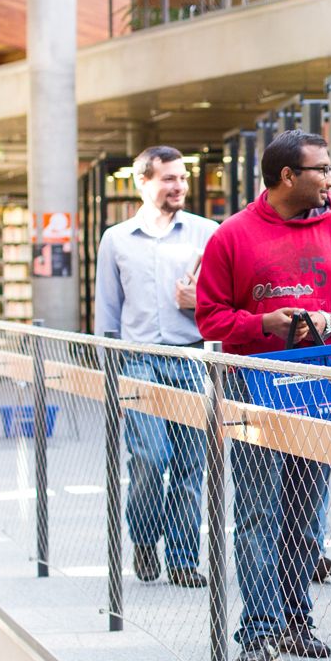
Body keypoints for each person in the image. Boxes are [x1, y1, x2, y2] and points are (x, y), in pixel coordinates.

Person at [196, 129, 331, 661]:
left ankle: (297, 620)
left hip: (319, 387)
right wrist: (262, 324)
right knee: (256, 512)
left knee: (305, 511)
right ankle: (257, 629)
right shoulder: (231, 237)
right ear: (286, 178)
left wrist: (329, 320)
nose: (330, 179)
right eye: (321, 169)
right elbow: (209, 320)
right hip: (254, 388)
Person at [94, 145, 218, 589]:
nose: (178, 186)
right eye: (168, 178)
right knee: (148, 458)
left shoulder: (207, 234)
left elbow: (223, 304)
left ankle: (184, 559)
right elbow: (108, 310)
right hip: (138, 361)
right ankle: (145, 539)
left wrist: (198, 301)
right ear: (143, 182)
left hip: (188, 360)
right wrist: (108, 367)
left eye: (182, 178)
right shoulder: (117, 239)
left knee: (189, 464)